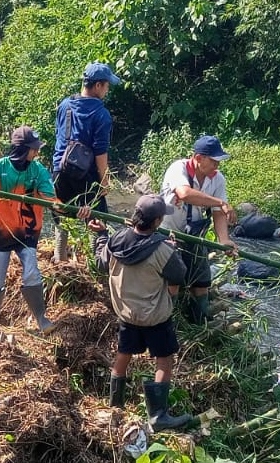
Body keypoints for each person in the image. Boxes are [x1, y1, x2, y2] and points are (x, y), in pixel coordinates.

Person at [89, 195, 192, 430]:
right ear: (156, 222)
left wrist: (101, 235)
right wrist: (173, 251)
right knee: (164, 359)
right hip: (156, 316)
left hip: (126, 313)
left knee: (123, 354)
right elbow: (178, 275)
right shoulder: (162, 249)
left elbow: (101, 263)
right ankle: (158, 416)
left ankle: (116, 406)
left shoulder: (115, 240)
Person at [0, 125, 69, 337]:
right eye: (33, 149)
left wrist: (59, 205)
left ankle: (41, 319)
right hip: (0, 232)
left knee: (31, 272)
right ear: (22, 149)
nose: (37, 152)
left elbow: (49, 196)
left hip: (26, 232)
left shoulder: (38, 170)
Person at [159, 135, 240, 323]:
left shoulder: (217, 179)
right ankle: (169, 321)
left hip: (193, 234)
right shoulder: (178, 168)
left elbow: (218, 213)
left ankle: (199, 322)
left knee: (202, 280)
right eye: (213, 161)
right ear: (198, 158)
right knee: (174, 278)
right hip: (166, 232)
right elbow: (184, 194)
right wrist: (220, 202)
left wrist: (224, 240)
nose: (216, 166)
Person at [51, 62, 121, 263]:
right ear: (98, 85)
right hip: (86, 176)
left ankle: (60, 261)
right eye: (107, 85)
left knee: (62, 217)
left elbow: (59, 137)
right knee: (97, 220)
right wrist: (105, 182)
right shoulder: (101, 114)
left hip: (59, 171)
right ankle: (96, 264)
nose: (107, 90)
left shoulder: (65, 105)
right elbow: (100, 153)